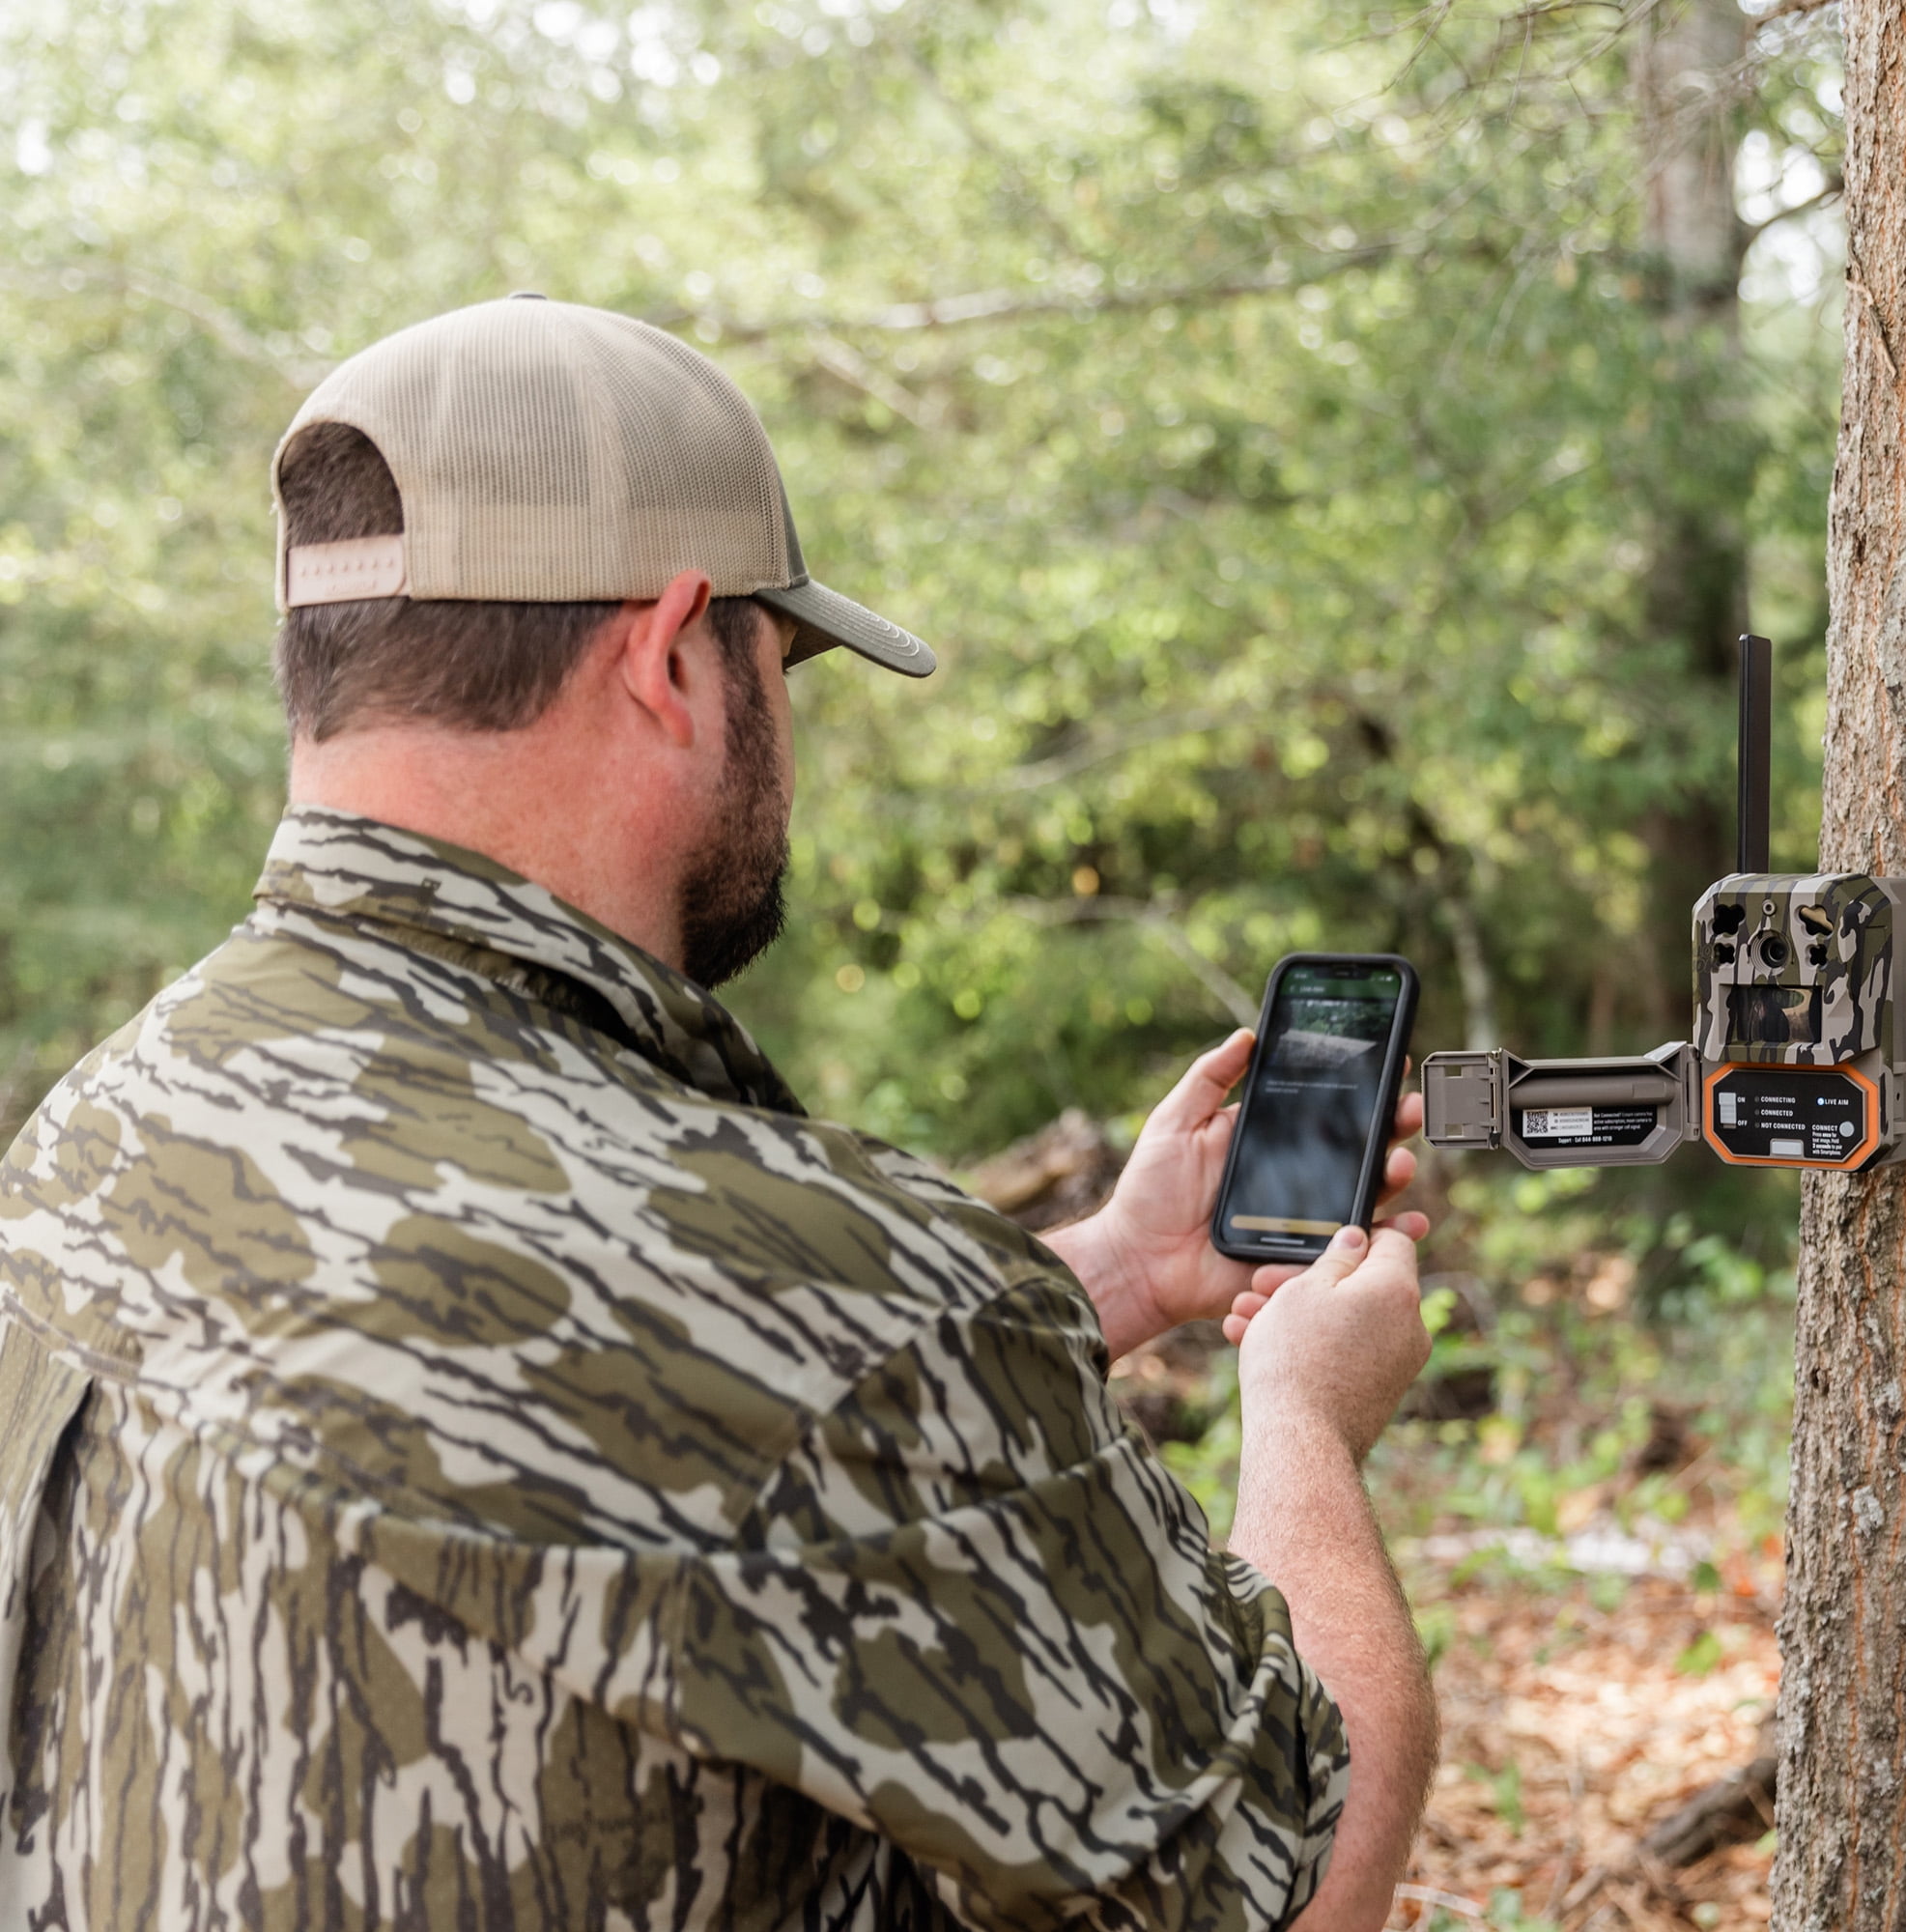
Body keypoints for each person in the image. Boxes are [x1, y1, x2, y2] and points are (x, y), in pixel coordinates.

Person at [0, 296, 1438, 1931]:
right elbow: (1297, 1875)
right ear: (673, 656)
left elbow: (584, 1419)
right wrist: (1303, 1413)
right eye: (782, 659)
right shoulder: (814, 1295)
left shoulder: (100, 1135)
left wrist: (1108, 1269)